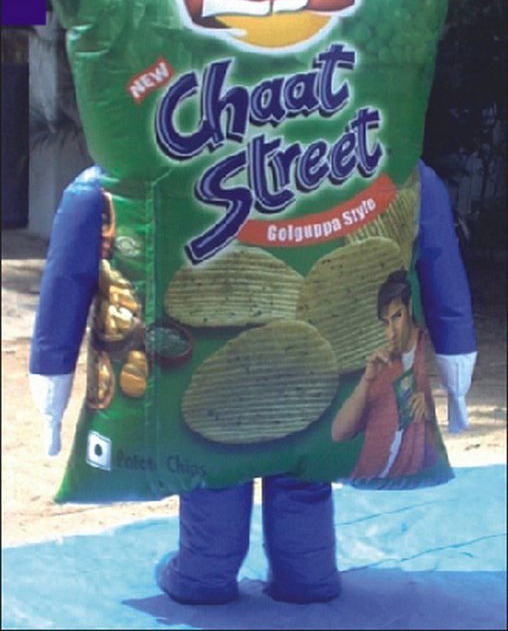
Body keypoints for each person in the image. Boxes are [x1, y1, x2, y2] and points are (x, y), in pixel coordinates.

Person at [29, 159, 477, 604]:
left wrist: (51, 376)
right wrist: (457, 369)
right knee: (301, 471)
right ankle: (306, 573)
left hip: (252, 392)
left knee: (216, 471)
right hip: (295, 390)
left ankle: (206, 572)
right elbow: (442, 267)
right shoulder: (398, 170)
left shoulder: (117, 178)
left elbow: (68, 275)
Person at [331, 269, 439, 480]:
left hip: (415, 479)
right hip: (369, 480)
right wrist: (367, 380)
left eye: (397, 317)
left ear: (410, 307)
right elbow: (339, 433)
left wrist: (430, 411)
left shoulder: (427, 352)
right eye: (385, 323)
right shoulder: (384, 365)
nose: (391, 333)